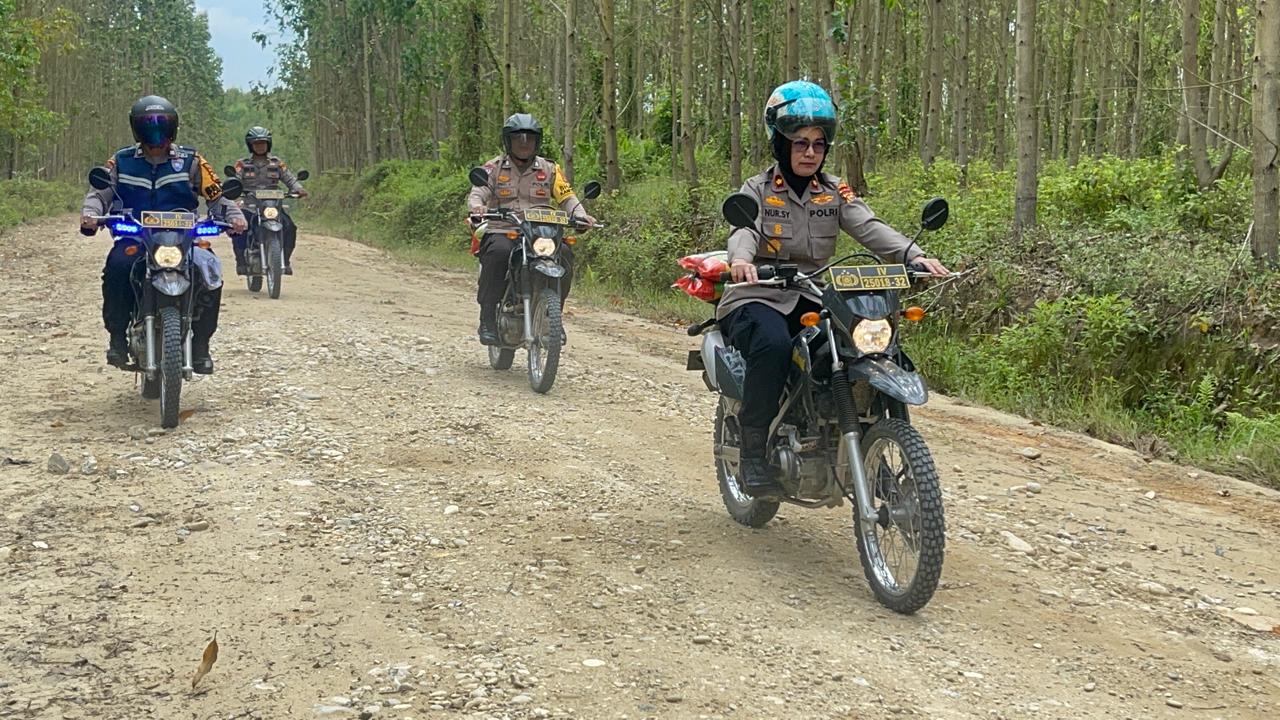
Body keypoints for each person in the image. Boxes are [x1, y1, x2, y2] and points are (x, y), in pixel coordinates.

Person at [716, 80, 951, 497]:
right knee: (771, 345)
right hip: (758, 293)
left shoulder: (835, 191)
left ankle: (875, 450)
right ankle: (753, 455)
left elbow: (870, 228)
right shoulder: (757, 189)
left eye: (818, 145)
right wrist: (740, 262)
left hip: (811, 292)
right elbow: (743, 231)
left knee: (867, 346)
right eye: (800, 143)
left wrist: (913, 255)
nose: (809, 153)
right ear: (780, 144)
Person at [80, 95, 247, 374]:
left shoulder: (192, 161)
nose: (155, 133)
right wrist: (90, 215)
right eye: (148, 126)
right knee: (118, 265)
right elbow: (99, 193)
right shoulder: (121, 160)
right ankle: (117, 338)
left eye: (162, 126)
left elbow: (217, 197)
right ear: (136, 129)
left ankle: (201, 344)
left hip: (185, 238)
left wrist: (235, 217)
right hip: (136, 236)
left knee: (209, 270)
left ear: (173, 128)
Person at [466, 113, 596, 345]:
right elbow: (479, 192)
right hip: (504, 229)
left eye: (530, 138)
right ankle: (487, 317)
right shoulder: (494, 168)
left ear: (538, 142)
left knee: (564, 254)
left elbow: (568, 197)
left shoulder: (550, 169)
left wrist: (580, 215)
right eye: (518, 138)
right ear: (508, 141)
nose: (524, 142)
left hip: (540, 232)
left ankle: (553, 318)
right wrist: (477, 207)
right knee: (497, 254)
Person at [229, 126, 308, 275]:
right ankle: (240, 261)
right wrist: (233, 192)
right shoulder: (242, 164)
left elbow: (289, 179)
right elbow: (234, 180)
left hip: (272, 205)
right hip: (250, 205)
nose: (260, 146)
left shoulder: (277, 163)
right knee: (239, 228)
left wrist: (298, 189)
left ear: (268, 144)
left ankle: (285, 260)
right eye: (256, 144)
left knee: (290, 227)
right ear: (250, 145)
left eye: (263, 143)